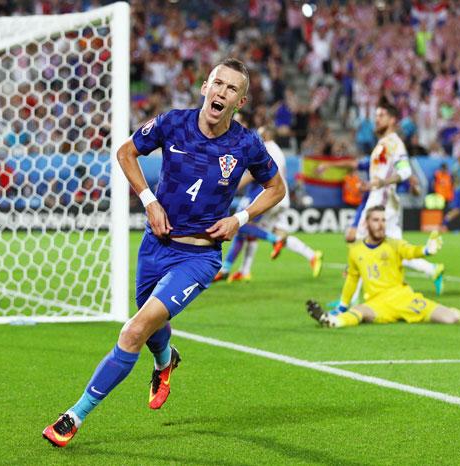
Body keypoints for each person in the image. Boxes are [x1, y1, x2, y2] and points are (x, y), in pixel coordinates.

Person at [42, 58, 285, 448]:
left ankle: (74, 416)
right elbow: (125, 153)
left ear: (240, 101)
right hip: (155, 246)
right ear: (205, 87)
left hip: (199, 257)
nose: (221, 92)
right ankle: (165, 360)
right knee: (149, 324)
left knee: (135, 328)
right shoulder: (173, 123)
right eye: (217, 84)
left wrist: (240, 218)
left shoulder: (245, 144)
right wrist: (149, 200)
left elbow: (276, 188)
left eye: (231, 89)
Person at [319, 98, 445, 295]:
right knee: (393, 248)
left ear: (393, 120)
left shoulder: (395, 144)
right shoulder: (382, 145)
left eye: (382, 116)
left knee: (360, 243)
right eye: (376, 115)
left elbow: (404, 172)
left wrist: (379, 183)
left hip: (382, 201)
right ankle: (432, 269)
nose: (377, 119)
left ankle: (350, 301)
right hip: (383, 200)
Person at [306, 205, 460, 328]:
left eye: (383, 220)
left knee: (450, 319)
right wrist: (343, 305)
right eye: (376, 220)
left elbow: (411, 251)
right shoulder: (355, 250)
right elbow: (352, 279)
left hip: (404, 299)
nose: (381, 224)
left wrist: (427, 250)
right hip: (377, 303)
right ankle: (331, 321)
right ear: (366, 223)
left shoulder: (394, 244)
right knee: (359, 311)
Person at [214, 125, 323, 282]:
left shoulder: (266, 148)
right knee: (261, 232)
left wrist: (233, 187)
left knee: (244, 225)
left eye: (260, 133)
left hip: (271, 194)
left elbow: (255, 174)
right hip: (280, 196)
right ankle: (312, 255)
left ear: (266, 135)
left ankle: (237, 265)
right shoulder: (277, 150)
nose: (257, 136)